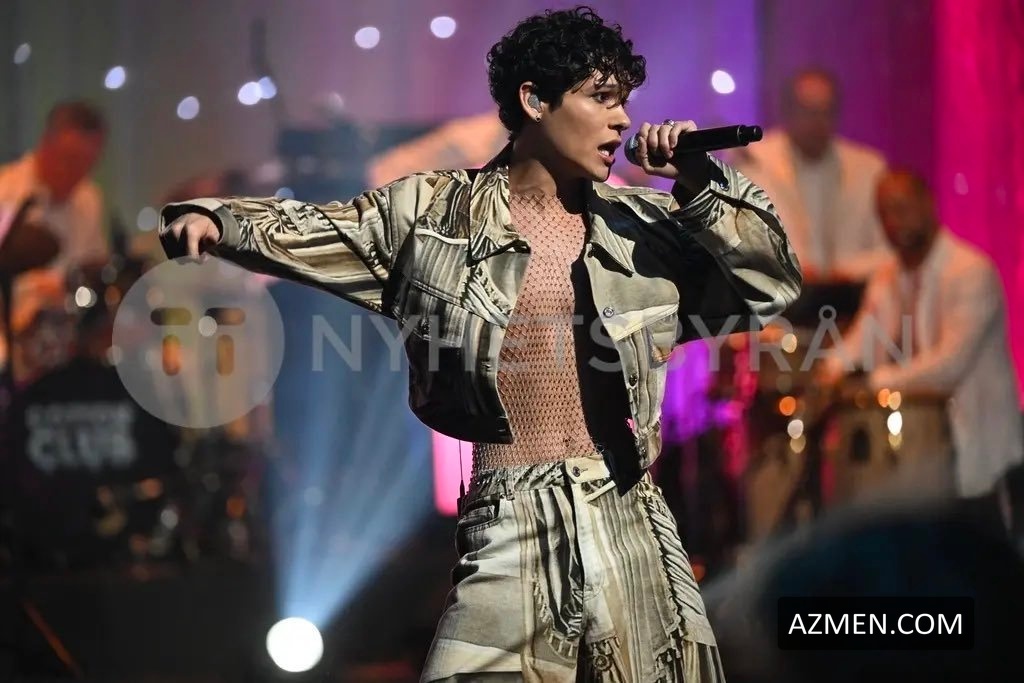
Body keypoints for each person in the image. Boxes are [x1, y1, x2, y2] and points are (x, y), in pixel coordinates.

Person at [160, 7, 801, 680]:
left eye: (625, 103)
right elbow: (322, 226)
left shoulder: (641, 225)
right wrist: (218, 220)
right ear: (534, 100)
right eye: (601, 97)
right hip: (510, 518)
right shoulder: (435, 215)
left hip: (628, 512)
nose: (622, 120)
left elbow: (770, 284)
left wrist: (701, 182)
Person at [822, 169, 1023, 527]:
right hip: (929, 461)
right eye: (883, 213)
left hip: (982, 458)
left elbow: (948, 366)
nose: (892, 222)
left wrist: (870, 383)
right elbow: (861, 340)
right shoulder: (888, 277)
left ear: (928, 204)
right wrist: (827, 372)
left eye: (901, 209)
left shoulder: (970, 271)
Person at [731, 69, 889, 282]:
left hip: (855, 293)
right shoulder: (755, 162)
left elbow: (889, 250)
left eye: (826, 111)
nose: (818, 122)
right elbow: (740, 246)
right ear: (787, 112)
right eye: (808, 111)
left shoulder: (868, 168)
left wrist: (848, 271)